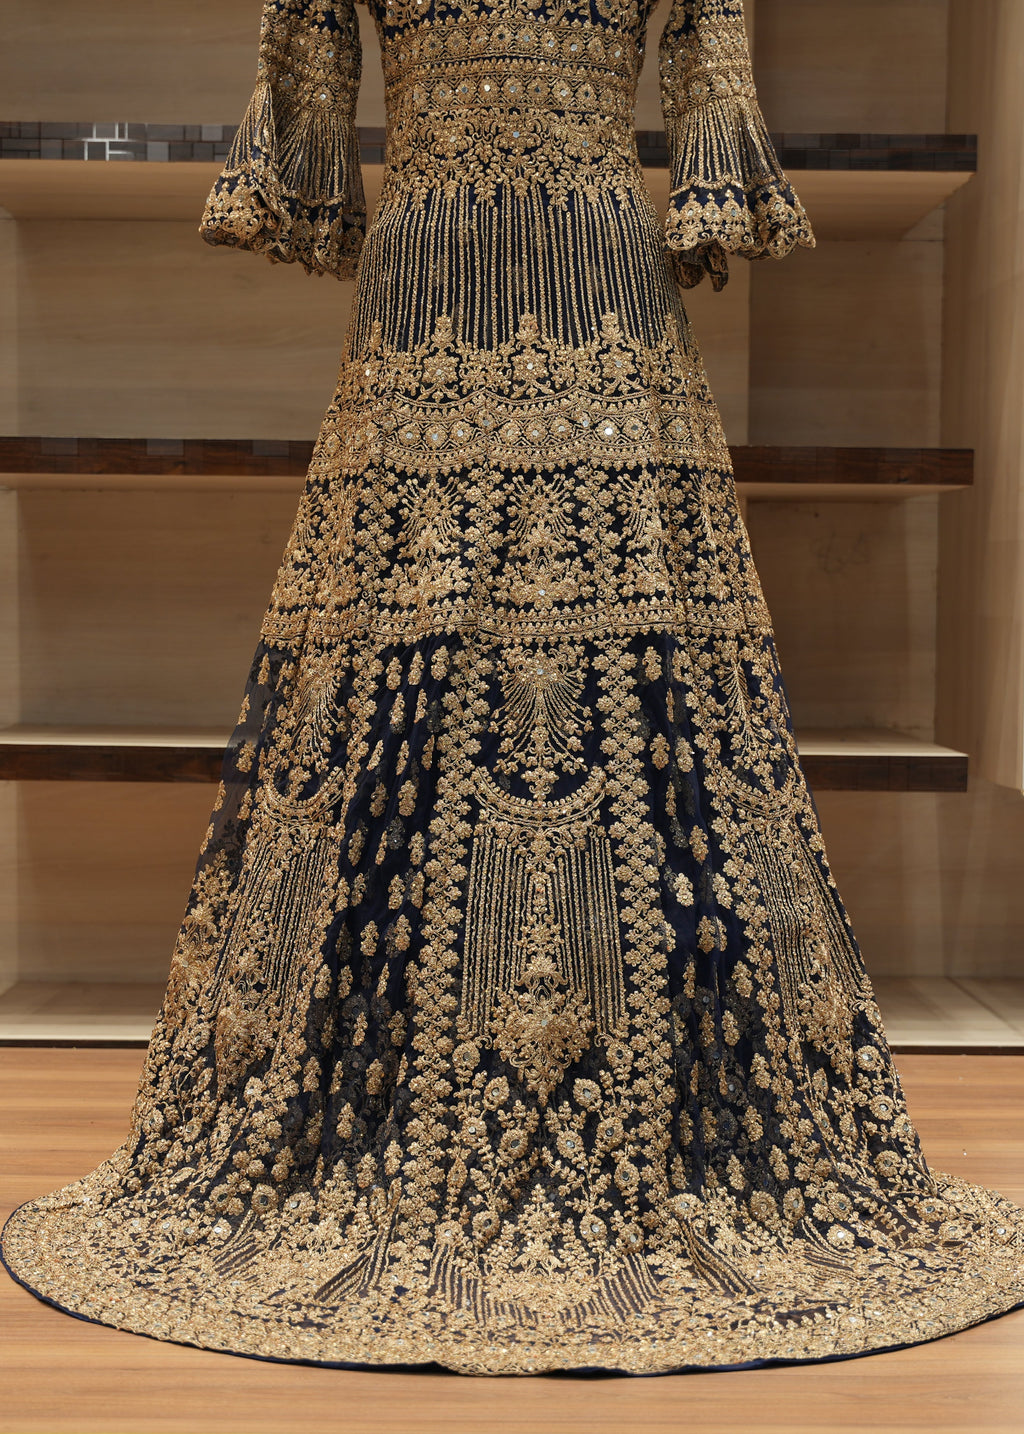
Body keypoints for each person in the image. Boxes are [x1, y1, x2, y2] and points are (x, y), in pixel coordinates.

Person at [3, 0, 1023, 1376]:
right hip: (463, 289)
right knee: (399, 674)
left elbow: (319, 144)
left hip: (553, 288)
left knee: (610, 673)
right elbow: (317, 104)